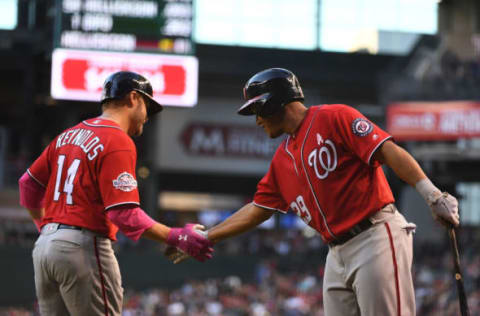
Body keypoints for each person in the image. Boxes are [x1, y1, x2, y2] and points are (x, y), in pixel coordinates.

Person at [168, 68, 460, 315]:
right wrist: (209, 236)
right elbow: (258, 209)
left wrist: (433, 195)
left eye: (258, 110)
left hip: (375, 234)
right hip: (335, 252)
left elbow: (388, 151)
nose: (257, 120)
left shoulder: (334, 117)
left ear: (275, 103)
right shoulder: (282, 159)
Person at [18, 71, 214, 316]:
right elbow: (124, 214)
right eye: (147, 106)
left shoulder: (67, 136)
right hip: (82, 247)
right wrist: (175, 236)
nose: (147, 116)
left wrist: (47, 229)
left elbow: (27, 184)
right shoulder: (117, 139)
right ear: (133, 98)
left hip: (45, 249)